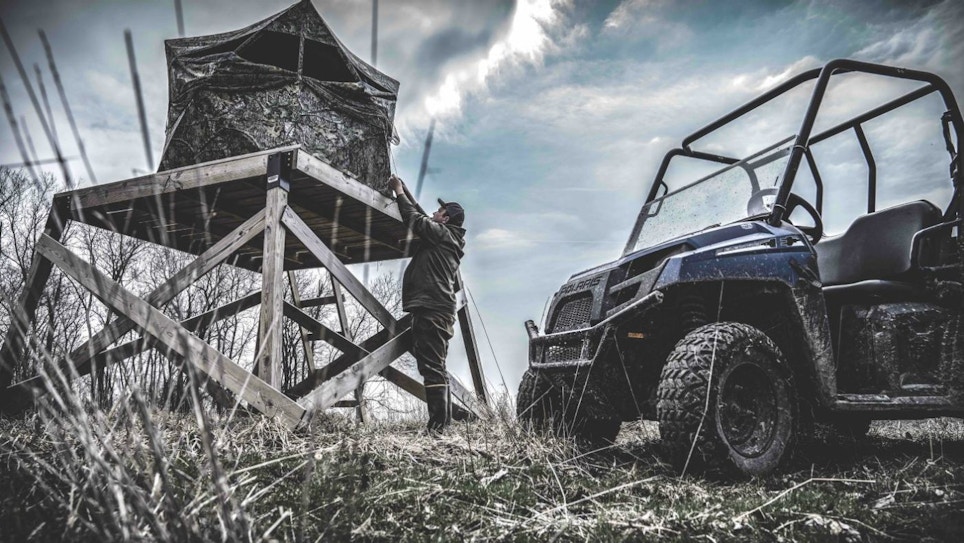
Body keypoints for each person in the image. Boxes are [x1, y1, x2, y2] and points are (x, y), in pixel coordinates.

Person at [387, 175, 466, 434]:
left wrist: (399, 192)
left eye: (439, 211)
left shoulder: (441, 234)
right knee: (435, 366)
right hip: (435, 308)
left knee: (432, 368)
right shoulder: (446, 236)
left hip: (433, 310)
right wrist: (405, 192)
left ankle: (438, 427)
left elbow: (416, 219)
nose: (434, 212)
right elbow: (422, 217)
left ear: (445, 219)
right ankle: (441, 424)